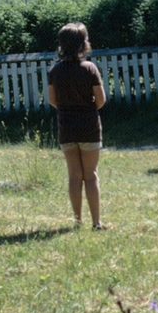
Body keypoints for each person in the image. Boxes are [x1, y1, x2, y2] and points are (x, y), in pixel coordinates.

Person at [47, 22, 107, 229]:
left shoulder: (55, 71)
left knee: (74, 175)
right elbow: (101, 100)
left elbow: (52, 100)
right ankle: (96, 222)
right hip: (89, 126)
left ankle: (77, 221)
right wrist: (87, 107)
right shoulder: (89, 68)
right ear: (83, 44)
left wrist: (67, 108)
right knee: (90, 175)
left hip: (67, 126)